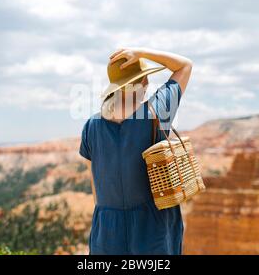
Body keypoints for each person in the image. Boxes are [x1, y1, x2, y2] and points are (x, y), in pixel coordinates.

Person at [79, 47, 193, 255]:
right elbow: (185, 65)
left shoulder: (91, 126)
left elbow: (96, 187)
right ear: (143, 82)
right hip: (153, 230)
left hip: (107, 233)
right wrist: (141, 52)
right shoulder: (156, 112)